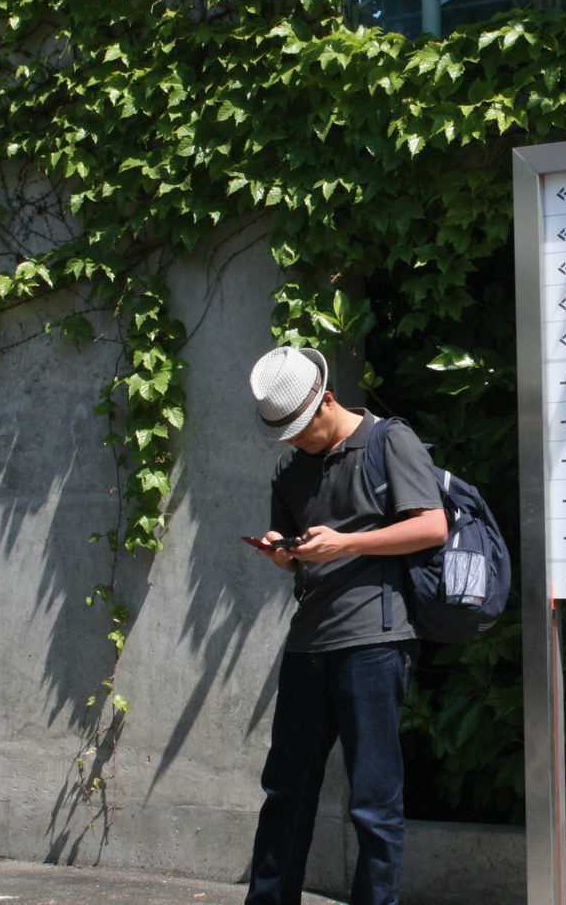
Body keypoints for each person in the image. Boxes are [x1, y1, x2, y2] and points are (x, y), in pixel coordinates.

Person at [244, 345, 447, 905]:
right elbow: (302, 556)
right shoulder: (289, 467)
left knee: (374, 803)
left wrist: (347, 542)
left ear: (328, 400)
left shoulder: (389, 441)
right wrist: (283, 555)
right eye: (283, 435)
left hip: (377, 641)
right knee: (285, 790)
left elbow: (432, 526)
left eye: (301, 430)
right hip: (308, 642)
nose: (293, 442)